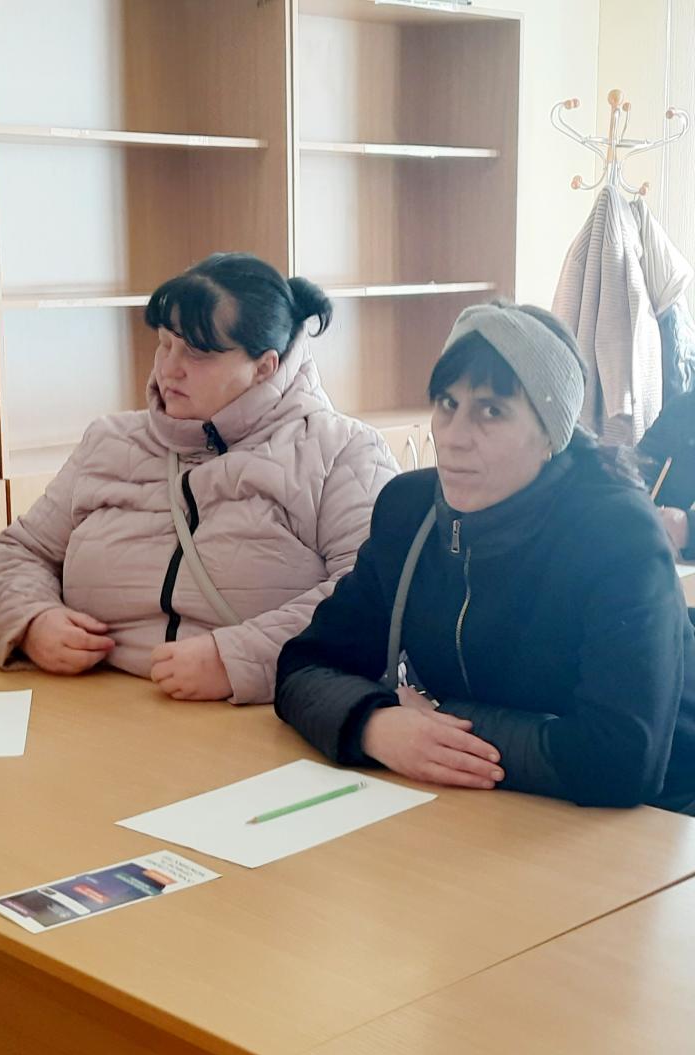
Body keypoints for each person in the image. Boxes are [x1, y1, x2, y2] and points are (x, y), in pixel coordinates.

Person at [274, 301, 695, 812]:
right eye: (447, 404)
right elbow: (303, 665)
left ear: (551, 434)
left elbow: (623, 760)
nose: (454, 437)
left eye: (491, 411)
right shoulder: (408, 511)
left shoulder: (618, 534)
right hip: (495, 803)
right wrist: (376, 725)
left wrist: (438, 718)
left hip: (657, 820)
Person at [0, 252, 397, 705]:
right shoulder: (108, 441)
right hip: (89, 710)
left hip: (260, 716)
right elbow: (20, 552)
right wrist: (33, 620)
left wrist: (237, 659)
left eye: (197, 353)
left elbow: (379, 594)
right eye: (165, 342)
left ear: (264, 366)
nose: (168, 368)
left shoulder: (342, 451)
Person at [635, 386, 695, 559]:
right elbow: (642, 461)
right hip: (661, 554)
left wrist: (688, 527)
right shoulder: (683, 408)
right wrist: (630, 496)